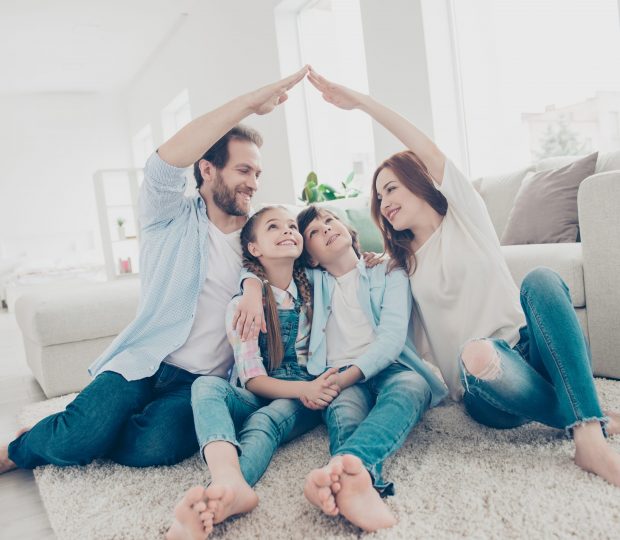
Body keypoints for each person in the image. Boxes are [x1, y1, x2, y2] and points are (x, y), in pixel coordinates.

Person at [306, 66, 620, 487]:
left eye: (392, 188)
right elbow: (364, 308)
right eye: (379, 197)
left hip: (531, 352)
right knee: (478, 354)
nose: (385, 202)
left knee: (542, 279)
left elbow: (423, 144)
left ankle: (588, 437)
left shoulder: (465, 216)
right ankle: (586, 413)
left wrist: (361, 102)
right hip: (483, 387)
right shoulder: (397, 266)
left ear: (420, 182)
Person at [0, 66, 309, 475]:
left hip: (199, 381)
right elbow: (162, 165)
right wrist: (249, 105)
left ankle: (89, 425)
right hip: (145, 359)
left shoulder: (258, 237)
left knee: (155, 446)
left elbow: (312, 257)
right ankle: (23, 446)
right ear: (207, 169)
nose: (253, 183)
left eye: (257, 173)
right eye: (243, 170)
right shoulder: (168, 215)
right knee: (79, 437)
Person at [243, 205, 448, 532]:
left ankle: (346, 469)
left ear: (346, 229)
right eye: (313, 232)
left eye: (329, 220)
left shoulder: (389, 270)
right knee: (344, 416)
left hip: (386, 368)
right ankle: (358, 484)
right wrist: (250, 287)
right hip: (337, 374)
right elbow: (265, 269)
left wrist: (342, 380)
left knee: (412, 387)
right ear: (309, 256)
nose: (325, 228)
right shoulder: (311, 280)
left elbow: (392, 338)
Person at [167, 205, 340, 540]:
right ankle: (225, 476)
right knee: (205, 386)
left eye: (292, 226)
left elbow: (347, 268)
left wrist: (373, 259)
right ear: (254, 248)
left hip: (302, 395)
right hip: (265, 390)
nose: (288, 231)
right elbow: (253, 380)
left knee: (264, 422)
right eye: (274, 227)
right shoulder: (242, 306)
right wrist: (252, 287)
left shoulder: (317, 287)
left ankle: (218, 498)